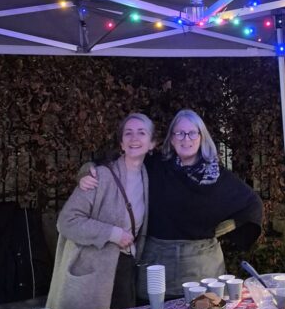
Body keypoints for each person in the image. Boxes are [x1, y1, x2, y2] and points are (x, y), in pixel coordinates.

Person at [79, 109, 263, 296]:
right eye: (179, 133)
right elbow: (112, 166)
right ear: (172, 139)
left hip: (202, 270)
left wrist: (220, 230)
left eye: (192, 133)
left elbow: (252, 204)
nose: (186, 139)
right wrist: (88, 172)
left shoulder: (218, 176)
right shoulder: (154, 165)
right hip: (155, 268)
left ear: (202, 137)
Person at [47, 113, 155, 309]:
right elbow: (66, 221)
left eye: (142, 133)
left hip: (124, 270)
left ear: (152, 143)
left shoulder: (148, 175)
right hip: (90, 276)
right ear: (121, 143)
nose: (134, 138)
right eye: (128, 133)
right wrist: (113, 234)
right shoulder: (100, 176)